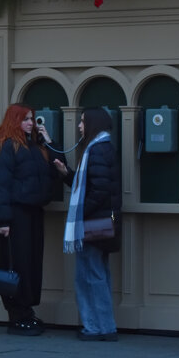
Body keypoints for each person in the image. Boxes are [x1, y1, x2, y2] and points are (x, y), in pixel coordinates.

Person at [0, 104, 68, 336]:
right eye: (25, 119)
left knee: (31, 263)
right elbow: (0, 186)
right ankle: (17, 314)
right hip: (16, 214)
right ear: (15, 121)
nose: (31, 123)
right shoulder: (7, 147)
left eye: (32, 119)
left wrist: (49, 141)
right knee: (17, 263)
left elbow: (57, 169)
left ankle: (26, 312)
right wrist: (3, 221)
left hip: (34, 212)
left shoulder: (35, 147)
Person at [63, 107, 122, 341]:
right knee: (98, 273)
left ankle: (98, 327)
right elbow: (91, 185)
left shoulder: (95, 150)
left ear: (93, 124)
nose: (79, 126)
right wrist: (66, 173)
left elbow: (97, 191)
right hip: (104, 221)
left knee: (89, 275)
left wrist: (79, 216)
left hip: (92, 223)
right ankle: (102, 326)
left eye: (83, 121)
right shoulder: (103, 148)